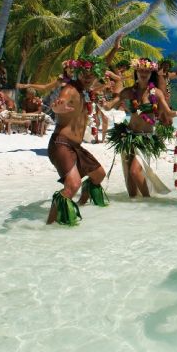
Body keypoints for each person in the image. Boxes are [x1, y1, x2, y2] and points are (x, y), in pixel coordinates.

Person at [103, 58, 177, 198]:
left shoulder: (156, 93)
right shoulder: (129, 91)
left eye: (147, 71)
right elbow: (110, 106)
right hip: (127, 136)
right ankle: (135, 207)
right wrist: (101, 99)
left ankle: (148, 200)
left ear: (151, 72)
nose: (143, 73)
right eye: (141, 70)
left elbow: (168, 112)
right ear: (136, 71)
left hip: (145, 138)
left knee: (135, 171)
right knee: (130, 177)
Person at [46, 55, 109, 226]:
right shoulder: (70, 90)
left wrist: (115, 49)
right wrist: (57, 108)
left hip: (75, 146)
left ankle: (82, 203)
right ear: (78, 73)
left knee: (98, 175)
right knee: (72, 185)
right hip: (61, 144)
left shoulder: (86, 93)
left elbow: (103, 65)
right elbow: (60, 102)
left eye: (92, 74)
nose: (88, 76)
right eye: (85, 73)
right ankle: (49, 225)